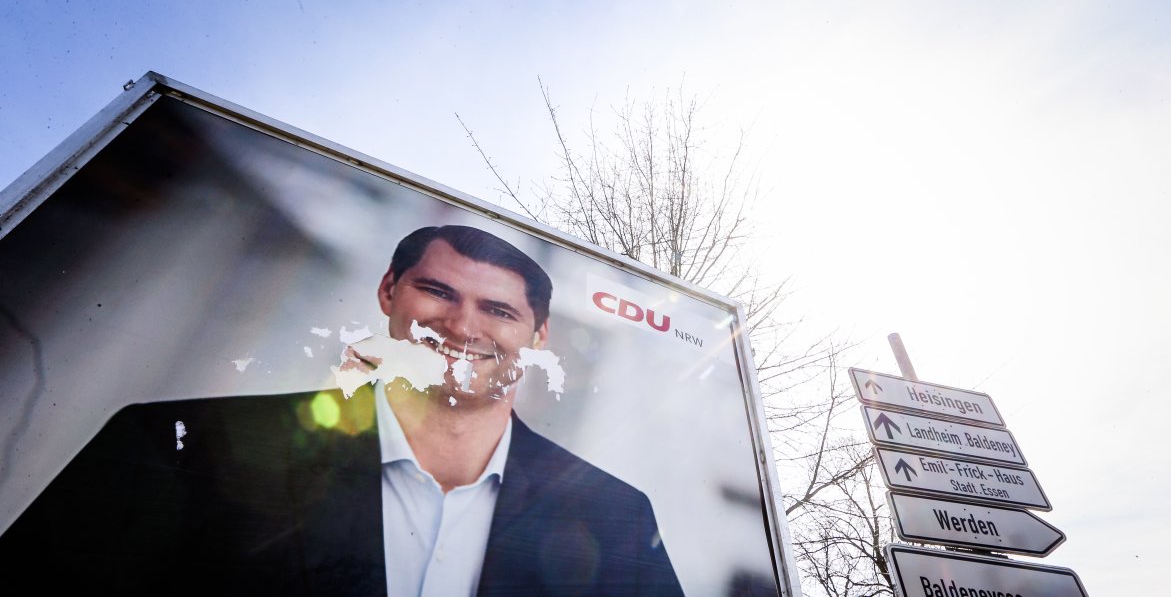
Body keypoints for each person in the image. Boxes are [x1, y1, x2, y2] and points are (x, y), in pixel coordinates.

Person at [0, 225, 683, 596]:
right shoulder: (183, 445)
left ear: (538, 337)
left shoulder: (617, 517)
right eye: (437, 291)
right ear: (389, 291)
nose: (461, 324)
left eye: (498, 309)